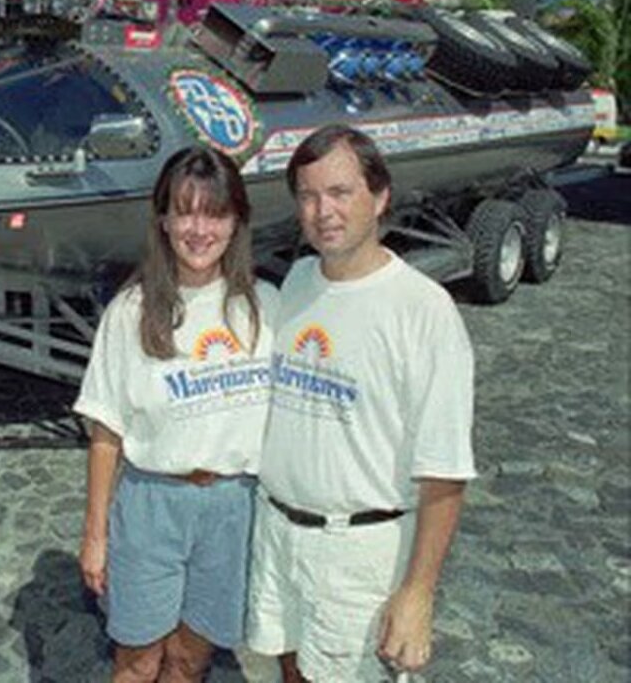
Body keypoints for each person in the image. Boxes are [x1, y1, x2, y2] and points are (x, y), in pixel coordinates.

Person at [245, 125, 476, 682]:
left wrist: (418, 593)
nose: (323, 211)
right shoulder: (298, 281)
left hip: (357, 556)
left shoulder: (422, 310)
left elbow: (445, 470)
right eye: (308, 195)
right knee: (289, 671)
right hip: (277, 533)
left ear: (379, 197)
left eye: (340, 192)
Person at [75, 145, 280, 682]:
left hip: (233, 508)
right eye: (185, 212)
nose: (199, 229)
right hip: (151, 505)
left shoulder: (268, 306)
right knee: (138, 662)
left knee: (190, 659)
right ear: (163, 220)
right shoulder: (130, 312)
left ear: (236, 222)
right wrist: (95, 535)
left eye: (215, 213)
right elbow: (105, 433)